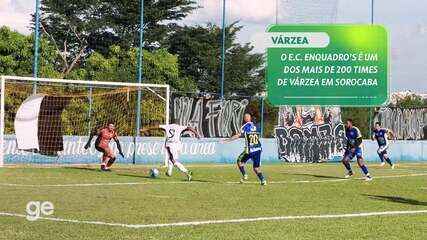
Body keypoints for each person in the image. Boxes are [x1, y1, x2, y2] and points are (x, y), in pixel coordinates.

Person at [222, 113, 266, 185]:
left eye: (245, 117)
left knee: (239, 161)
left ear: (246, 119)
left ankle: (245, 175)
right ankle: (263, 180)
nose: (244, 118)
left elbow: (238, 135)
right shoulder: (256, 126)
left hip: (250, 150)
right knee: (256, 168)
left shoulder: (245, 126)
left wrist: (227, 140)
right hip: (258, 149)